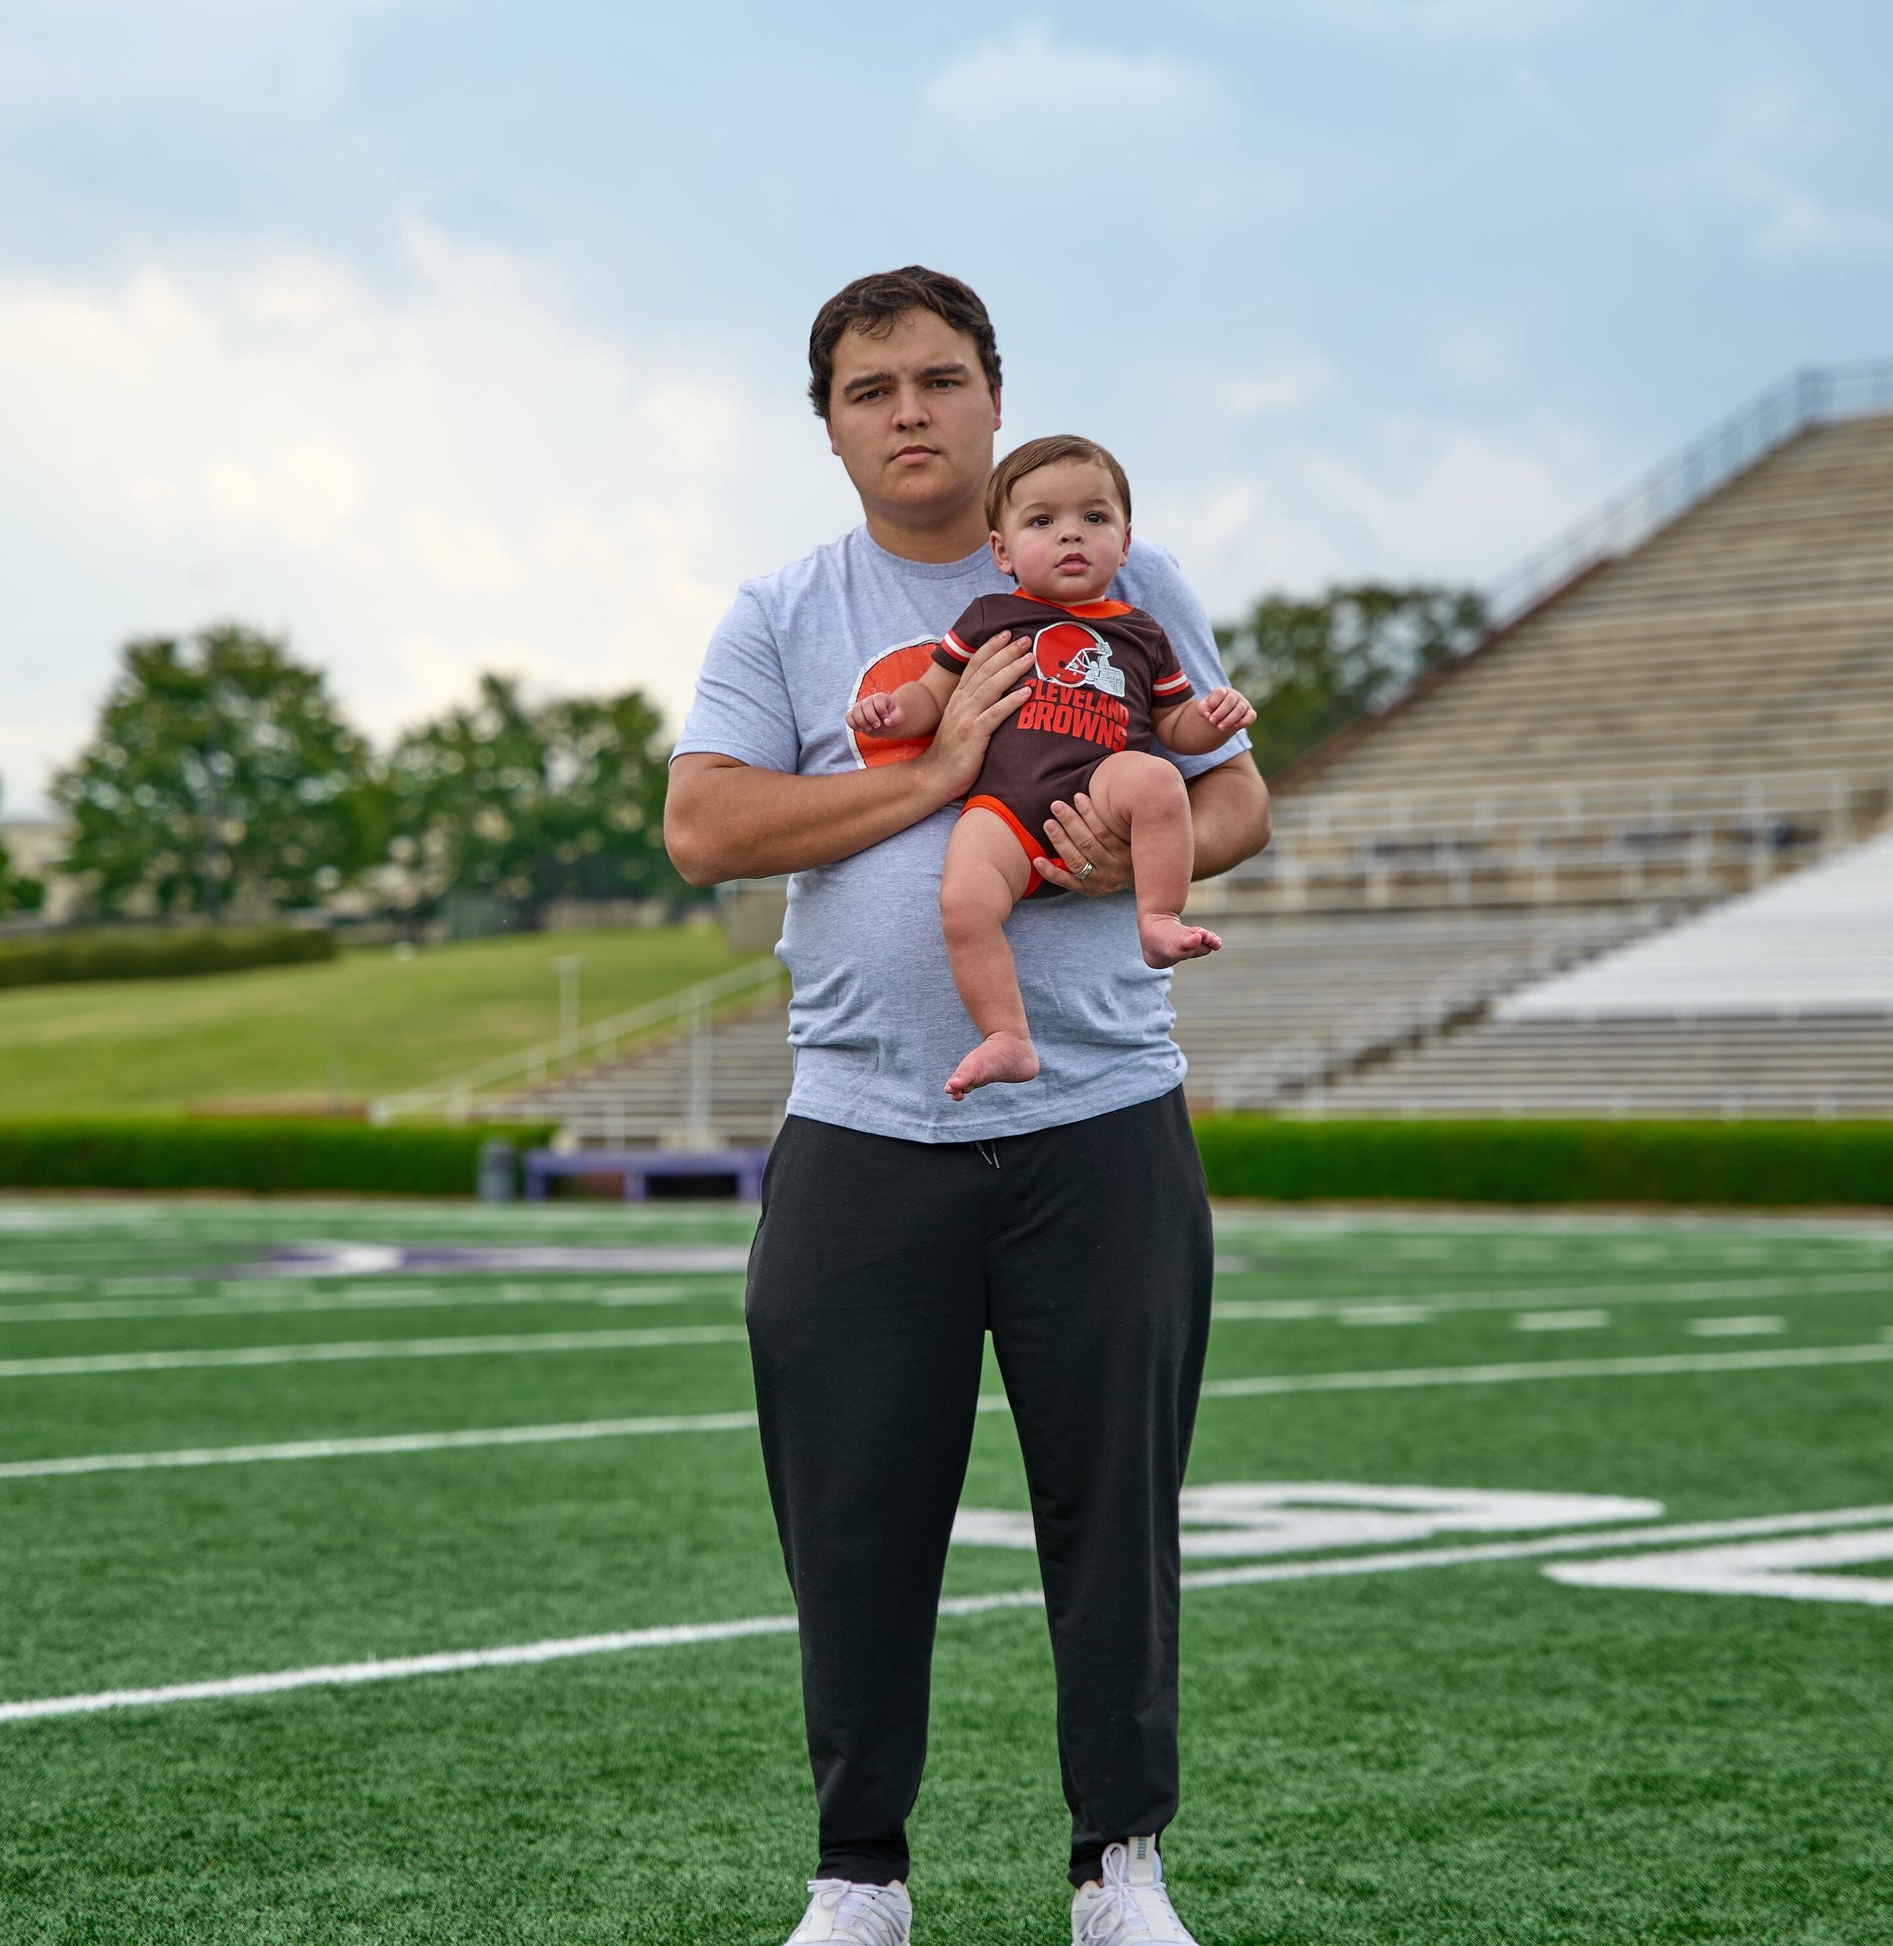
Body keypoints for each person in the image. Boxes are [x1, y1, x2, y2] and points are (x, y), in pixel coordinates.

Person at [663, 266, 1271, 1946]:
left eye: (940, 378)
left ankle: (1120, 1868)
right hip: (864, 1126)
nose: (911, 411)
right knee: (852, 1516)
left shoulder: (1122, 574)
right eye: (873, 390)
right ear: (834, 427)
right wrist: (935, 782)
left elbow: (1239, 805)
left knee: (1117, 1509)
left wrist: (1132, 841)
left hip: (1099, 1115)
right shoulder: (785, 611)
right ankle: (859, 1876)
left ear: (997, 399)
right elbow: (705, 829)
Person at [844, 432, 1258, 1101]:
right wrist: (893, 711)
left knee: (1156, 779)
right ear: (1002, 551)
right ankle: (1007, 1036)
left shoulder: (1142, 632)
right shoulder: (989, 617)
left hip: (1101, 788)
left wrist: (1211, 717)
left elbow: (1177, 728)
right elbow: (932, 694)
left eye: (1094, 518)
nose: (1072, 536)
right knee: (962, 902)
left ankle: (1157, 920)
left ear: (1125, 545)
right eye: (1043, 521)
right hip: (1004, 805)